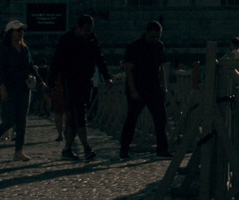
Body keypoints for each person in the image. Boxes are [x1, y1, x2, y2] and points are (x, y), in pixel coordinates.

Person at [51, 14, 110, 160]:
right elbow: (57, 61)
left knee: (75, 117)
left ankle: (67, 149)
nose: (87, 33)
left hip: (86, 81)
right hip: (71, 81)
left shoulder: (91, 38)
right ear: (78, 27)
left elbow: (99, 57)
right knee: (79, 114)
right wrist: (50, 82)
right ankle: (86, 148)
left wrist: (106, 76)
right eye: (85, 30)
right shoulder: (67, 39)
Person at [121, 20, 169, 158]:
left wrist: (164, 87)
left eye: (158, 36)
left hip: (153, 86)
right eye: (154, 36)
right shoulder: (134, 46)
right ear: (147, 33)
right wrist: (133, 90)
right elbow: (129, 70)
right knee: (132, 119)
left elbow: (162, 67)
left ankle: (162, 149)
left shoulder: (159, 46)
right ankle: (124, 149)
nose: (156, 39)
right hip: (138, 86)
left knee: (161, 119)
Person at [0, 23, 34, 158]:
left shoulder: (25, 49)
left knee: (22, 121)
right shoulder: (3, 50)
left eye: (22, 31)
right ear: (10, 32)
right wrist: (2, 87)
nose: (21, 33)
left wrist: (39, 81)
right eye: (17, 30)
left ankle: (18, 151)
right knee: (10, 119)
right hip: (9, 88)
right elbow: (0, 70)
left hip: (24, 87)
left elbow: (30, 66)